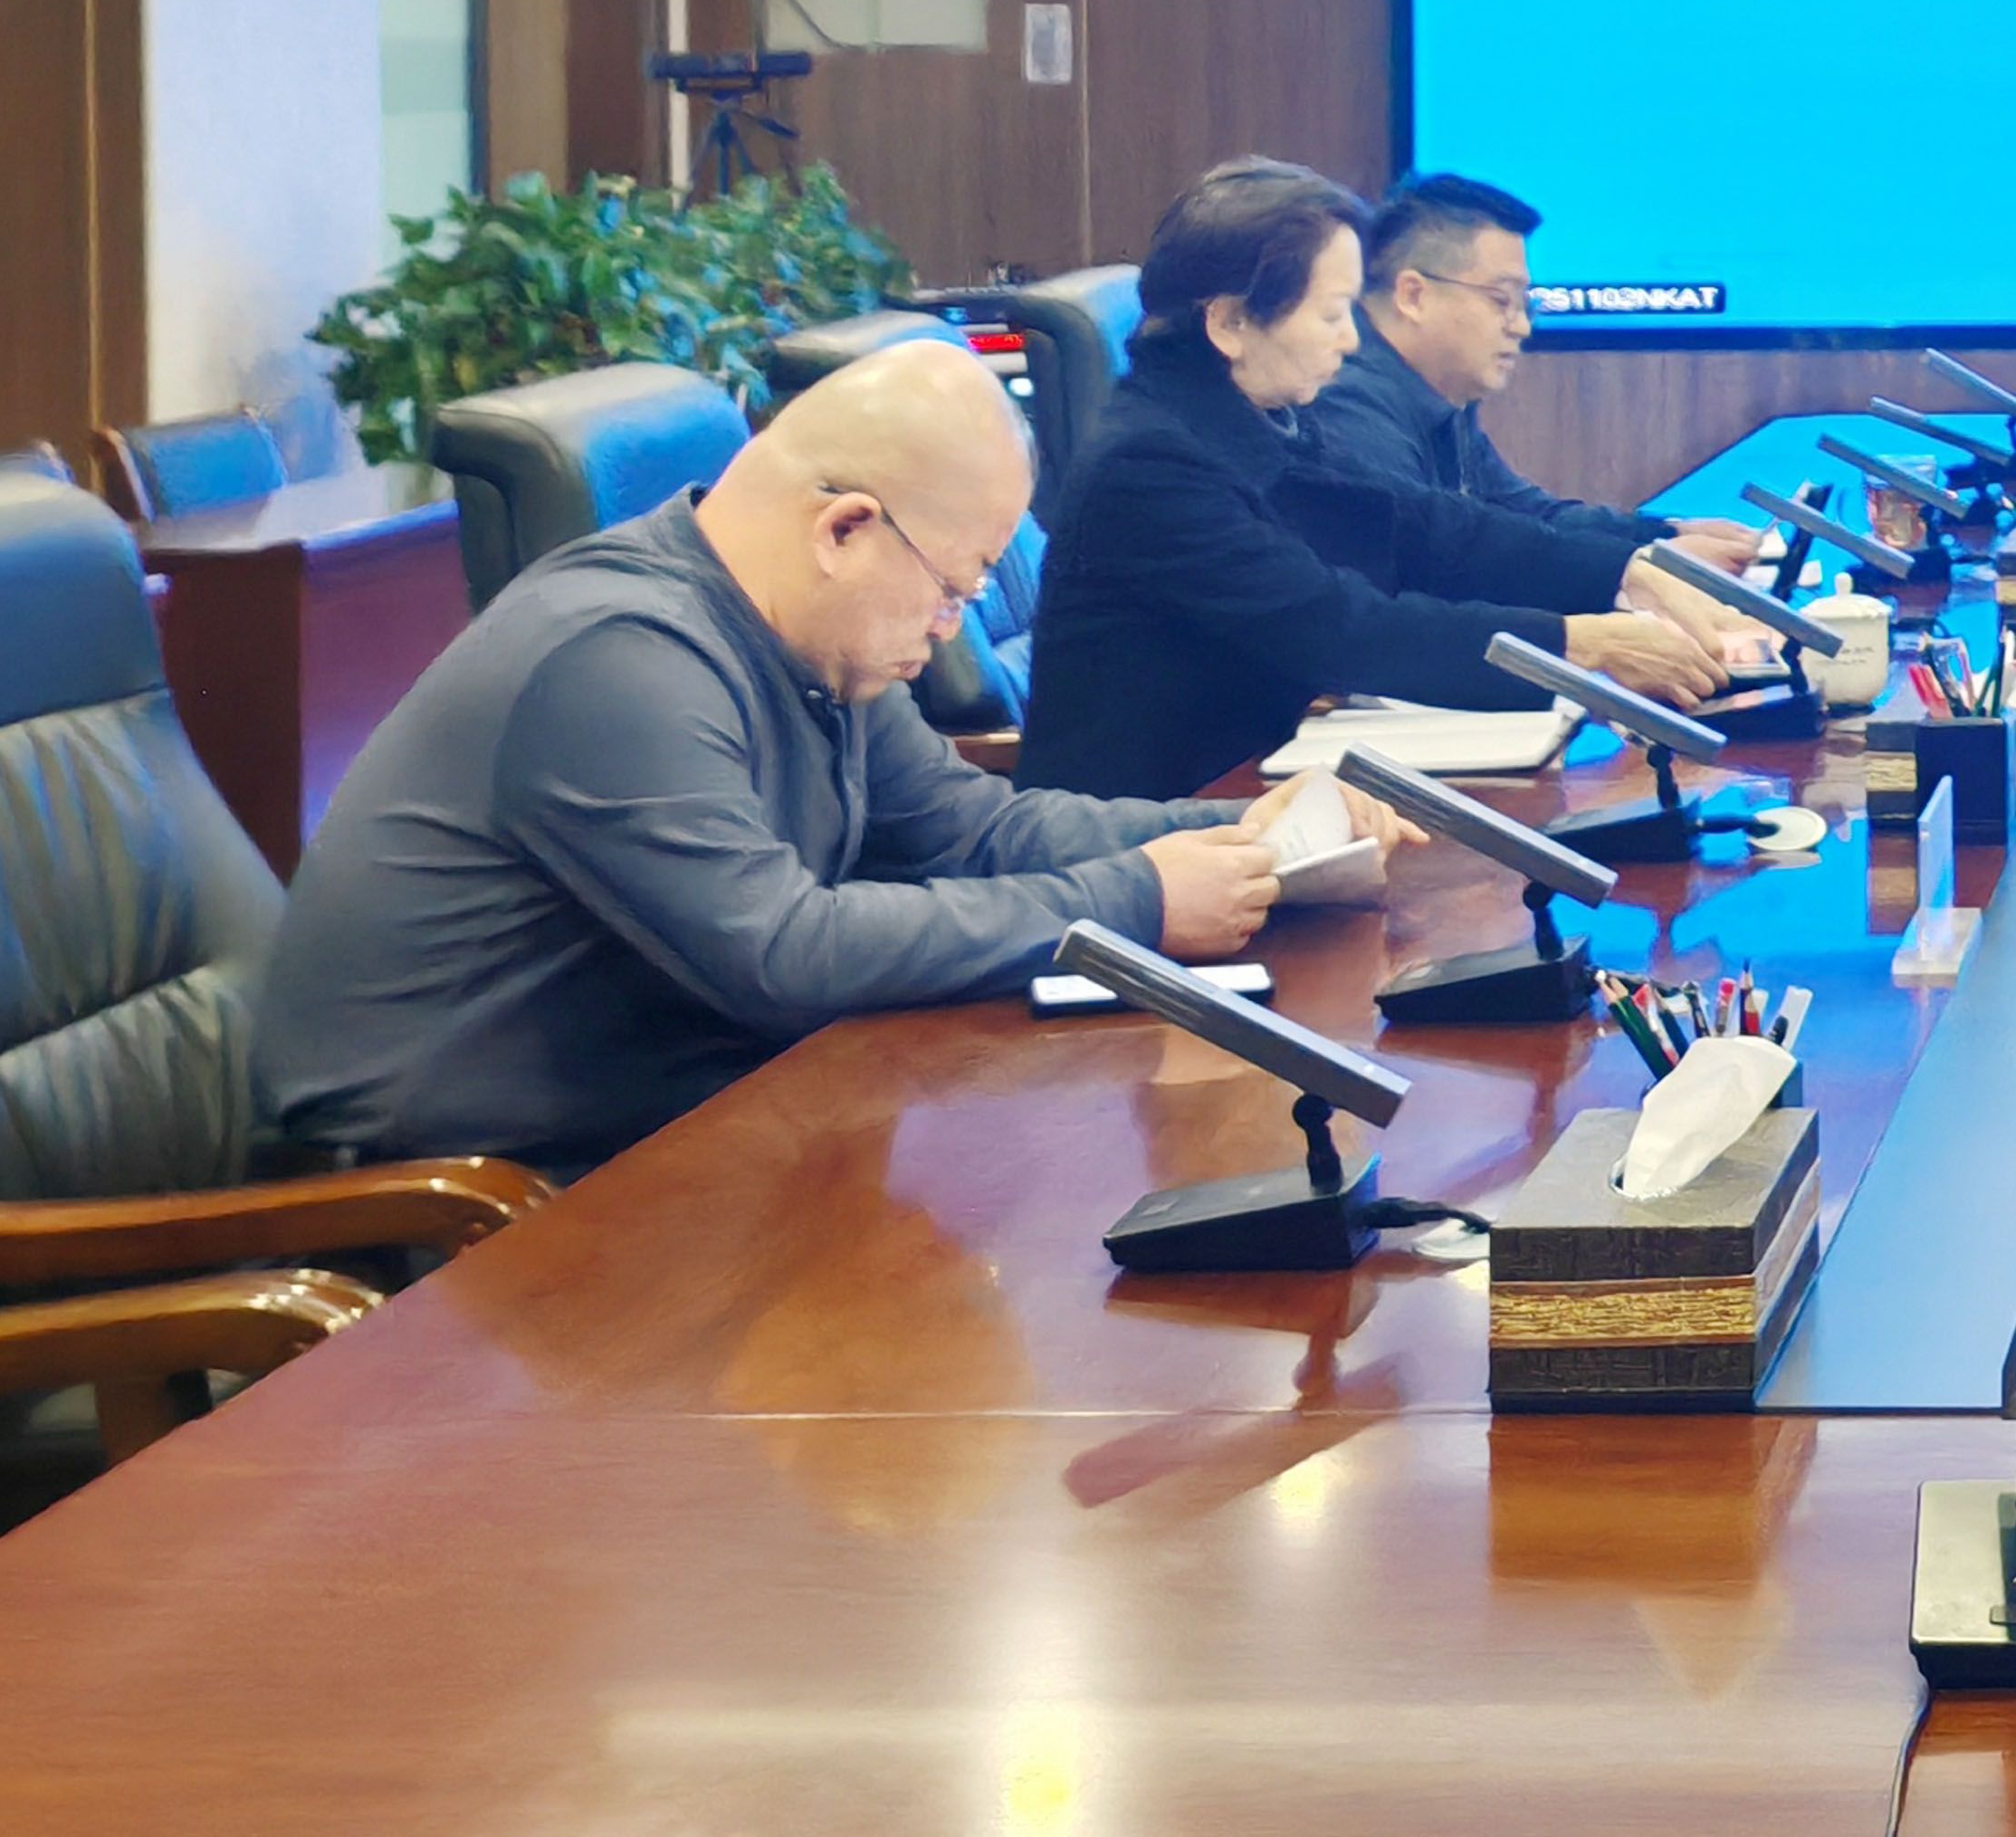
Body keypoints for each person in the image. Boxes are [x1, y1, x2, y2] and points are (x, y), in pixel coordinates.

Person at [255, 340, 1324, 1176]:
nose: (951, 628)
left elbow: (973, 832)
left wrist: (1246, 836)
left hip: (679, 1125)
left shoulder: (817, 641)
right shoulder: (615, 659)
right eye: (952, 588)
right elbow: (781, 955)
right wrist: (1135, 899)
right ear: (844, 530)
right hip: (465, 1205)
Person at [1019, 159, 1731, 798]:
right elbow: (1340, 628)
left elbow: (1423, 524)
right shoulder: (1153, 465)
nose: (1352, 339)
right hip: (1154, 833)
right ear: (1232, 322)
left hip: (1253, 797)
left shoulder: (1253, 413)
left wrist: (1622, 569)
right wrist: (1582, 645)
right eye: (1332, 314)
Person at [1301, 168, 1759, 566]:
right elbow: (1438, 567)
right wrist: (1628, 571)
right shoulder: (1347, 405)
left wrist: (1665, 538)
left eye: (1526, 304)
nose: (1521, 327)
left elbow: (1526, 516)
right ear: (1413, 295)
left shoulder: (1439, 396)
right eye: (1502, 301)